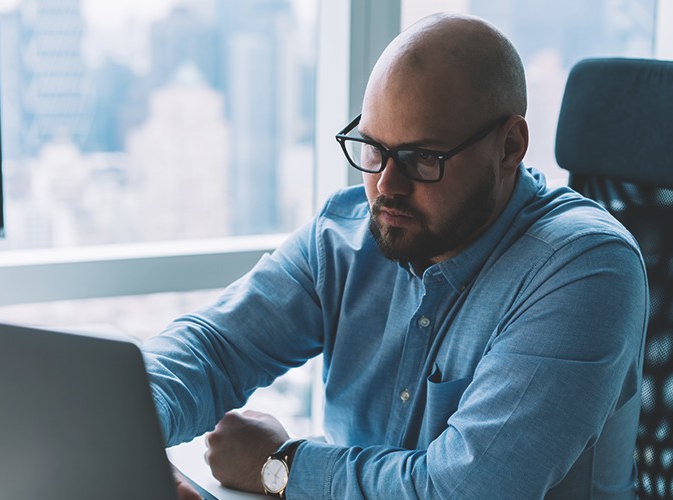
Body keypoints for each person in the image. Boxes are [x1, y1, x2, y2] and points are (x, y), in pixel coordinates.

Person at [145, 12, 648, 499]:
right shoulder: (347, 234)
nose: (386, 185)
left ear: (510, 147)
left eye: (422, 158)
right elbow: (214, 348)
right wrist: (130, 438)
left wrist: (282, 467)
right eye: (372, 148)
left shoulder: (586, 268)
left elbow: (465, 491)